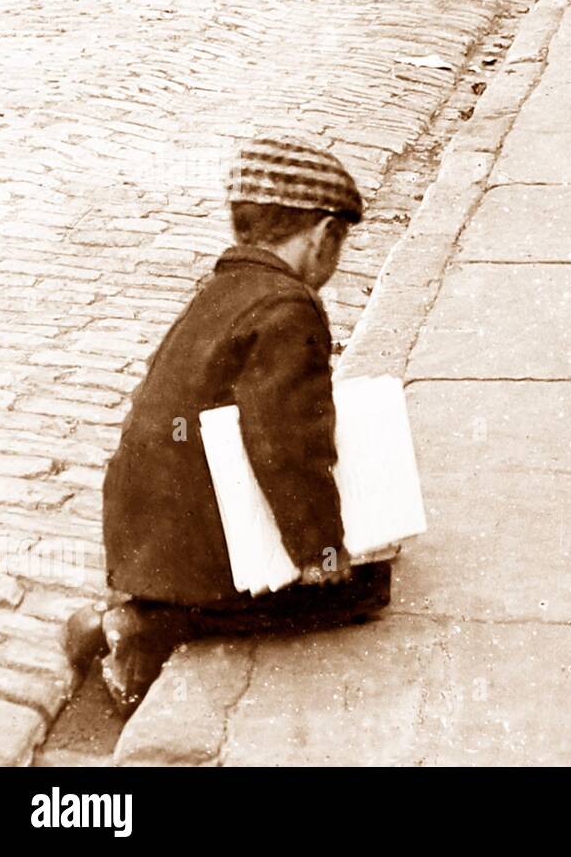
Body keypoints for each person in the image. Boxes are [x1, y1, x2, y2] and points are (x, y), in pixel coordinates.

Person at [64, 133, 390, 716]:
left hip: (140, 530)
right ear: (324, 236)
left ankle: (129, 610)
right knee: (366, 587)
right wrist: (320, 551)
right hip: (190, 550)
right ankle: (142, 629)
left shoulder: (221, 289)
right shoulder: (290, 309)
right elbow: (286, 447)